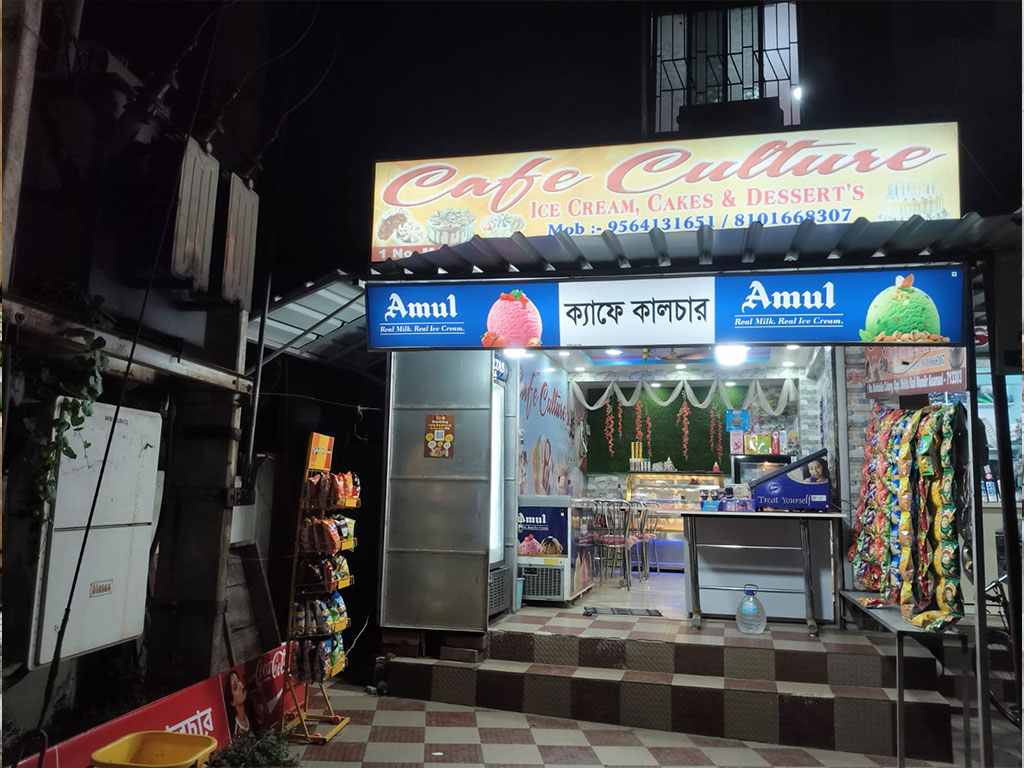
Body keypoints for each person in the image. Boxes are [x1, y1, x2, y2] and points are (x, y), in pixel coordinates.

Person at [225, 670, 254, 740]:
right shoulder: (235, 731)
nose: (240, 686)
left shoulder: (253, 713)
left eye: (238, 681)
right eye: (235, 687)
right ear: (232, 702)